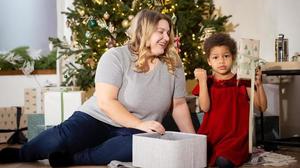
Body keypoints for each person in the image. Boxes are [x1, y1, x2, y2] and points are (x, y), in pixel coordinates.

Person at [0, 9, 195, 166]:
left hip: (135, 131)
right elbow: (106, 101)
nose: (166, 37)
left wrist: (193, 141)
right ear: (143, 31)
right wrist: (139, 124)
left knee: (136, 147)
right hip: (97, 118)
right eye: (160, 31)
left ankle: (74, 159)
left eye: (168, 32)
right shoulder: (116, 56)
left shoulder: (173, 63)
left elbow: (178, 105)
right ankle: (21, 154)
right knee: (57, 141)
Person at [192, 33, 267, 168]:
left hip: (234, 138)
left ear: (232, 57)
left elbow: (262, 107)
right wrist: (202, 81)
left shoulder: (242, 80)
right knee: (194, 157)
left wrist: (259, 85)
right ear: (209, 61)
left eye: (226, 56)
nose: (221, 61)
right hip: (212, 134)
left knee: (223, 160)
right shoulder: (208, 82)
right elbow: (205, 108)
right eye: (215, 57)